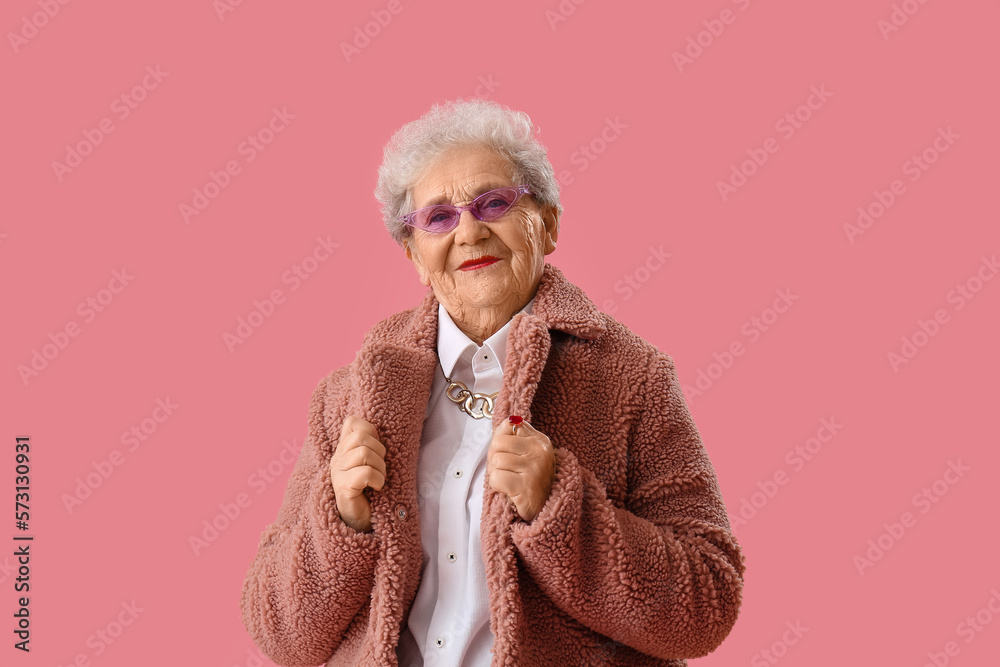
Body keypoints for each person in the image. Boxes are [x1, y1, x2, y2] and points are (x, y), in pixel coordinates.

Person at [240, 98, 745, 667]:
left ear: (547, 224)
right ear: (414, 252)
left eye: (495, 202)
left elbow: (707, 603)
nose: (470, 231)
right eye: (438, 217)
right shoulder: (350, 396)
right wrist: (340, 521)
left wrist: (558, 508)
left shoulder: (632, 378)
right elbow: (278, 632)